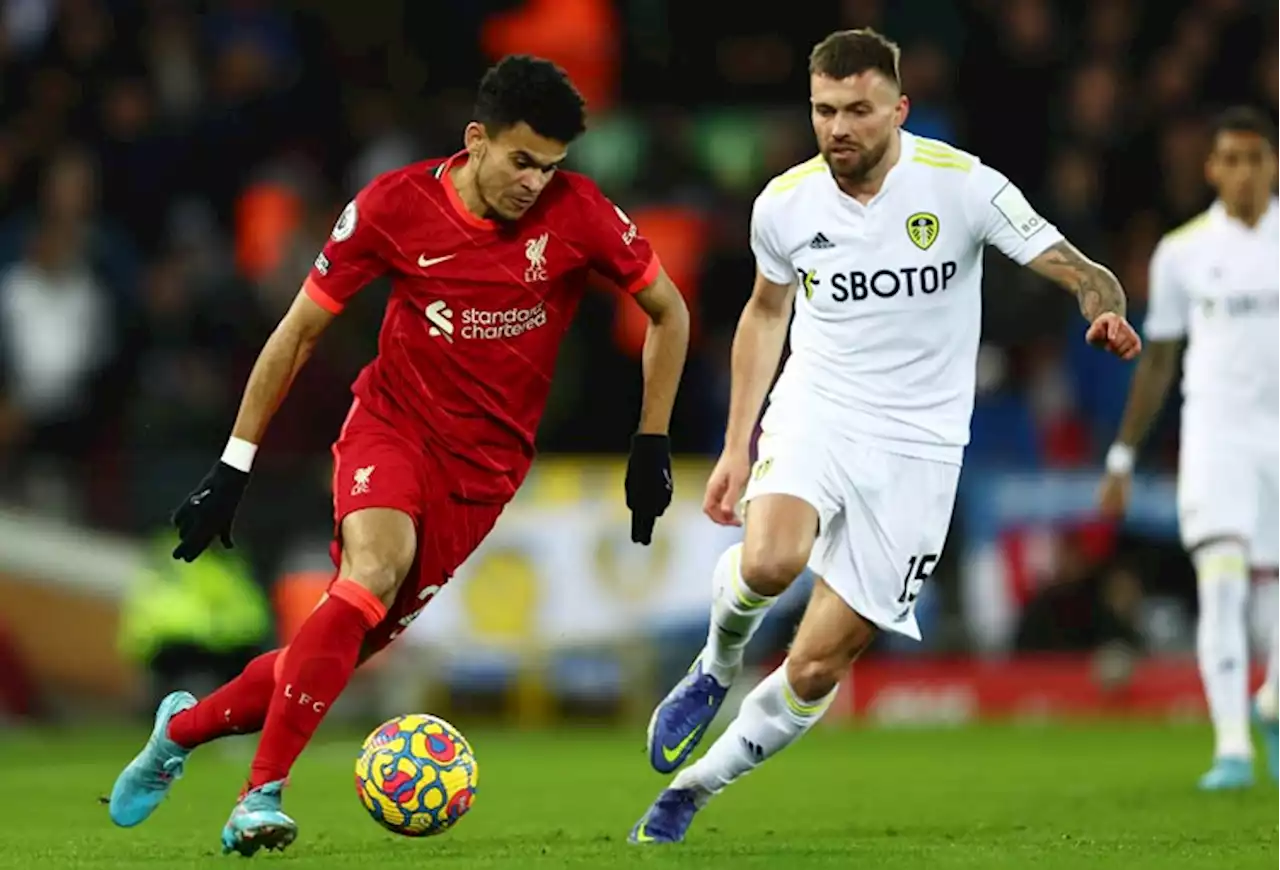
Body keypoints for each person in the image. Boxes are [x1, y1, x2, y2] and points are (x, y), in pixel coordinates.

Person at [107, 54, 691, 856]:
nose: (534, 183)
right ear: (476, 139)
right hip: (394, 428)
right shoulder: (393, 206)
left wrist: (650, 442)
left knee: (336, 647)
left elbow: (669, 310)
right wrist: (233, 466)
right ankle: (258, 796)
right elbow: (298, 333)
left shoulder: (578, 213)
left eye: (551, 167)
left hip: (484, 474)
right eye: (521, 161)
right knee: (371, 574)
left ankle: (181, 731)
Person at [629, 28, 1140, 845]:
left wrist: (1102, 307)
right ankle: (715, 666)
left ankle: (695, 786)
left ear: (899, 110)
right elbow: (765, 314)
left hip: (921, 447)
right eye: (824, 110)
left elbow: (1080, 266)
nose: (839, 128)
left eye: (858, 110)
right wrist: (736, 444)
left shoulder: (963, 186)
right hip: (819, 409)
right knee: (767, 561)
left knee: (818, 663)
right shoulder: (785, 202)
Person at [1099, 106, 1280, 791]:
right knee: (1224, 580)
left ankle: (1271, 706)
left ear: (1273, 165)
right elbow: (1158, 360)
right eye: (1228, 159)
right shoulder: (1183, 251)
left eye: (1254, 159)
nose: (1241, 173)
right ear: (1210, 169)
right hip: (1218, 435)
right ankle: (1231, 746)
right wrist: (1122, 456)